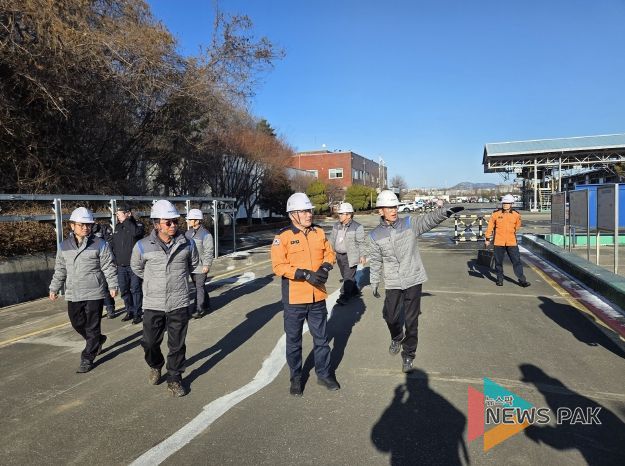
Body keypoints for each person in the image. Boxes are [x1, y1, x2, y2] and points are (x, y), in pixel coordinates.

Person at [367, 190, 463, 373]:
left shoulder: (409, 224)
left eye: (395, 207)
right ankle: (396, 337)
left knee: (411, 321)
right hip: (393, 281)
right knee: (390, 317)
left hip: (413, 278)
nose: (393, 210)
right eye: (389, 207)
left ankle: (409, 354)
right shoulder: (374, 235)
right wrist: (374, 282)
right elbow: (376, 260)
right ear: (380, 210)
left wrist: (445, 212)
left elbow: (429, 220)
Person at [271, 192, 339, 396]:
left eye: (309, 210)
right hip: (295, 299)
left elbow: (329, 253)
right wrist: (303, 274)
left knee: (322, 339)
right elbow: (278, 266)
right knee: (294, 341)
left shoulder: (319, 232)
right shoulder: (283, 237)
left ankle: (324, 374)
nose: (309, 214)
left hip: (318, 297)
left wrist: (325, 267)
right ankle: (296, 377)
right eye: (304, 211)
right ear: (293, 215)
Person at [131, 200, 199, 397]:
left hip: (179, 301)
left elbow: (193, 264)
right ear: (156, 224)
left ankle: (174, 378)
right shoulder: (142, 246)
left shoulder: (187, 243)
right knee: (149, 343)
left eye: (175, 221)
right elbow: (137, 268)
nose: (173, 225)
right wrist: (154, 282)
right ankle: (156, 364)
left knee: (177, 345)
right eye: (168, 222)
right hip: (153, 302)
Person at [49, 207, 118, 373]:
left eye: (88, 225)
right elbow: (60, 269)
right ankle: (98, 340)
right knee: (77, 322)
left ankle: (87, 357)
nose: (86, 228)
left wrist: (113, 285)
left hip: (94, 292)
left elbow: (108, 266)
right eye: (82, 225)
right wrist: (54, 287)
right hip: (73, 292)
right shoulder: (64, 246)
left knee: (92, 326)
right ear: (72, 225)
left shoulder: (100, 243)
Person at [484, 194, 530, 288]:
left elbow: (517, 226)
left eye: (507, 203)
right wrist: (487, 239)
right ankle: (499, 279)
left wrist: (510, 233)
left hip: (511, 242)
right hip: (498, 242)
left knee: (516, 261)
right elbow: (490, 227)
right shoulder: (496, 214)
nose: (505, 205)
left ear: (511, 204)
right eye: (504, 203)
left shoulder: (516, 215)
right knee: (498, 262)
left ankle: (522, 280)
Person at [110, 204, 145, 324]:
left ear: (128, 213)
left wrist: (126, 221)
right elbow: (114, 244)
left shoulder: (137, 225)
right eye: (117, 214)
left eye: (120, 214)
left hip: (134, 265)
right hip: (121, 265)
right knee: (124, 290)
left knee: (135, 289)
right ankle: (129, 311)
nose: (118, 216)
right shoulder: (117, 227)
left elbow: (136, 233)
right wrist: (114, 259)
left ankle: (137, 313)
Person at [328, 202, 366, 305]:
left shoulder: (357, 227)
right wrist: (329, 252)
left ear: (349, 215)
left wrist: (362, 255)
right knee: (346, 276)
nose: (339, 215)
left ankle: (344, 296)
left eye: (341, 214)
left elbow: (361, 243)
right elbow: (331, 240)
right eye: (339, 214)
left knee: (348, 277)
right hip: (339, 256)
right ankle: (355, 291)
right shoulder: (336, 225)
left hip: (351, 256)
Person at [184, 208, 214, 319]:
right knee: (199, 286)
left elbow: (209, 251)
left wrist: (207, 265)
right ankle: (206, 303)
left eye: (190, 219)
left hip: (201, 266)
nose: (187, 221)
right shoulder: (188, 233)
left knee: (199, 287)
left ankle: (199, 309)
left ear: (197, 220)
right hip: (191, 266)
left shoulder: (206, 234)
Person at [92, 221, 116, 319]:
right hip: (92, 263)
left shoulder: (103, 229)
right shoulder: (84, 231)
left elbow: (110, 243)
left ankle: (110, 308)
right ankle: (98, 310)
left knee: (105, 287)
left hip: (103, 261)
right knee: (95, 289)